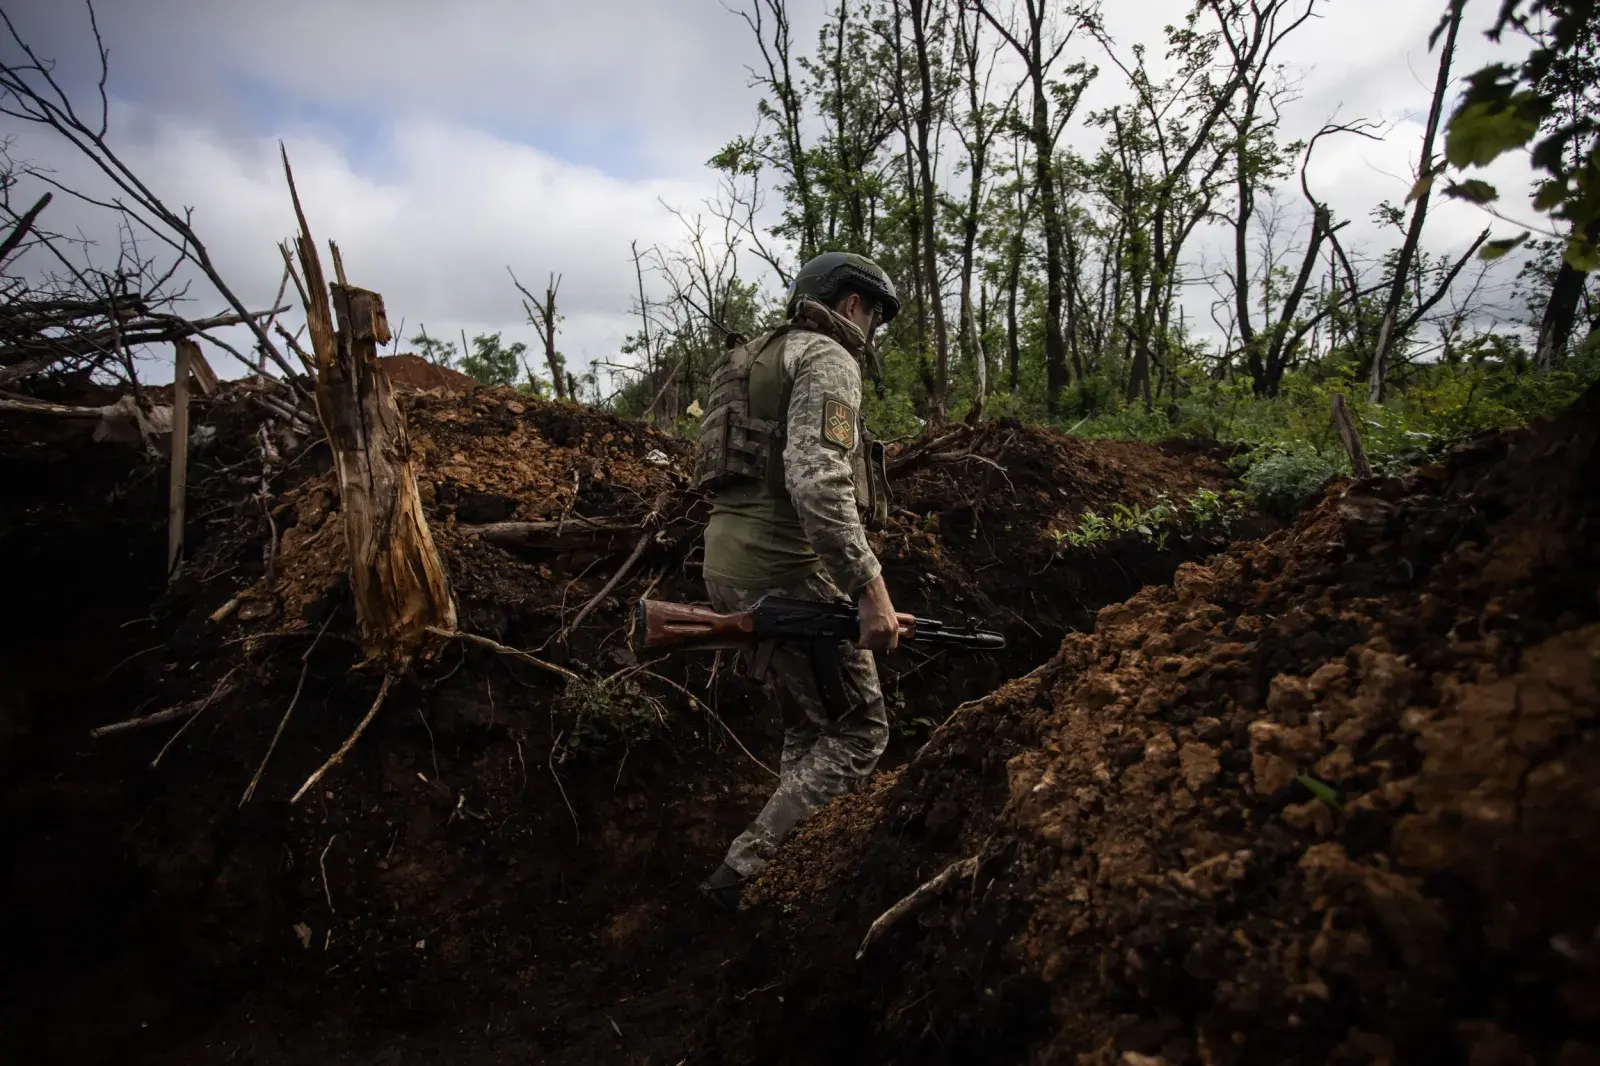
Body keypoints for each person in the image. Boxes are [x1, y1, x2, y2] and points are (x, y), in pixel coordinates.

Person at [694, 251, 902, 910]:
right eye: (873, 316)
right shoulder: (826, 358)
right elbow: (816, 481)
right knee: (861, 729)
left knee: (810, 727)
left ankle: (796, 866)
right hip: (786, 571)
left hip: (727, 565)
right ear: (850, 306)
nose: (871, 333)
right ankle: (748, 870)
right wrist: (872, 592)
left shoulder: (754, 355)